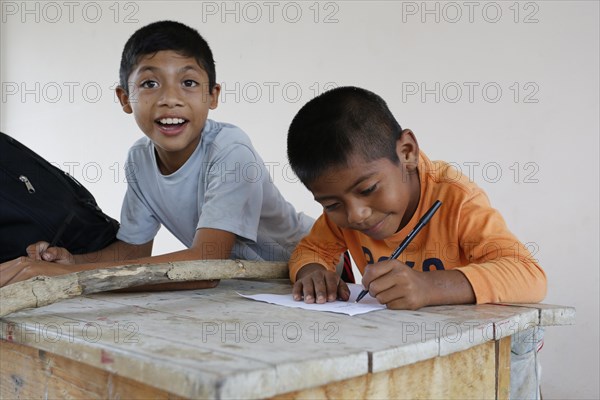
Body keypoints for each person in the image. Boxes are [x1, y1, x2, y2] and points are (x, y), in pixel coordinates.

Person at [0, 20, 313, 289]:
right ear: (125, 98)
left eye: (188, 83)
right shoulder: (139, 159)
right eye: (150, 83)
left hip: (318, 264)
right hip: (258, 287)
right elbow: (133, 251)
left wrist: (65, 275)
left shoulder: (230, 151)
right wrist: (72, 261)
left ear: (212, 96)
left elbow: (205, 265)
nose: (170, 99)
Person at [286, 86, 546, 398]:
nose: (356, 215)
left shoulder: (456, 199)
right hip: (414, 350)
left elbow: (529, 274)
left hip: (493, 352)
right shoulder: (345, 211)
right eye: (331, 205)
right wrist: (312, 272)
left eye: (368, 189)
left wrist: (428, 287)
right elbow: (312, 249)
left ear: (407, 152)